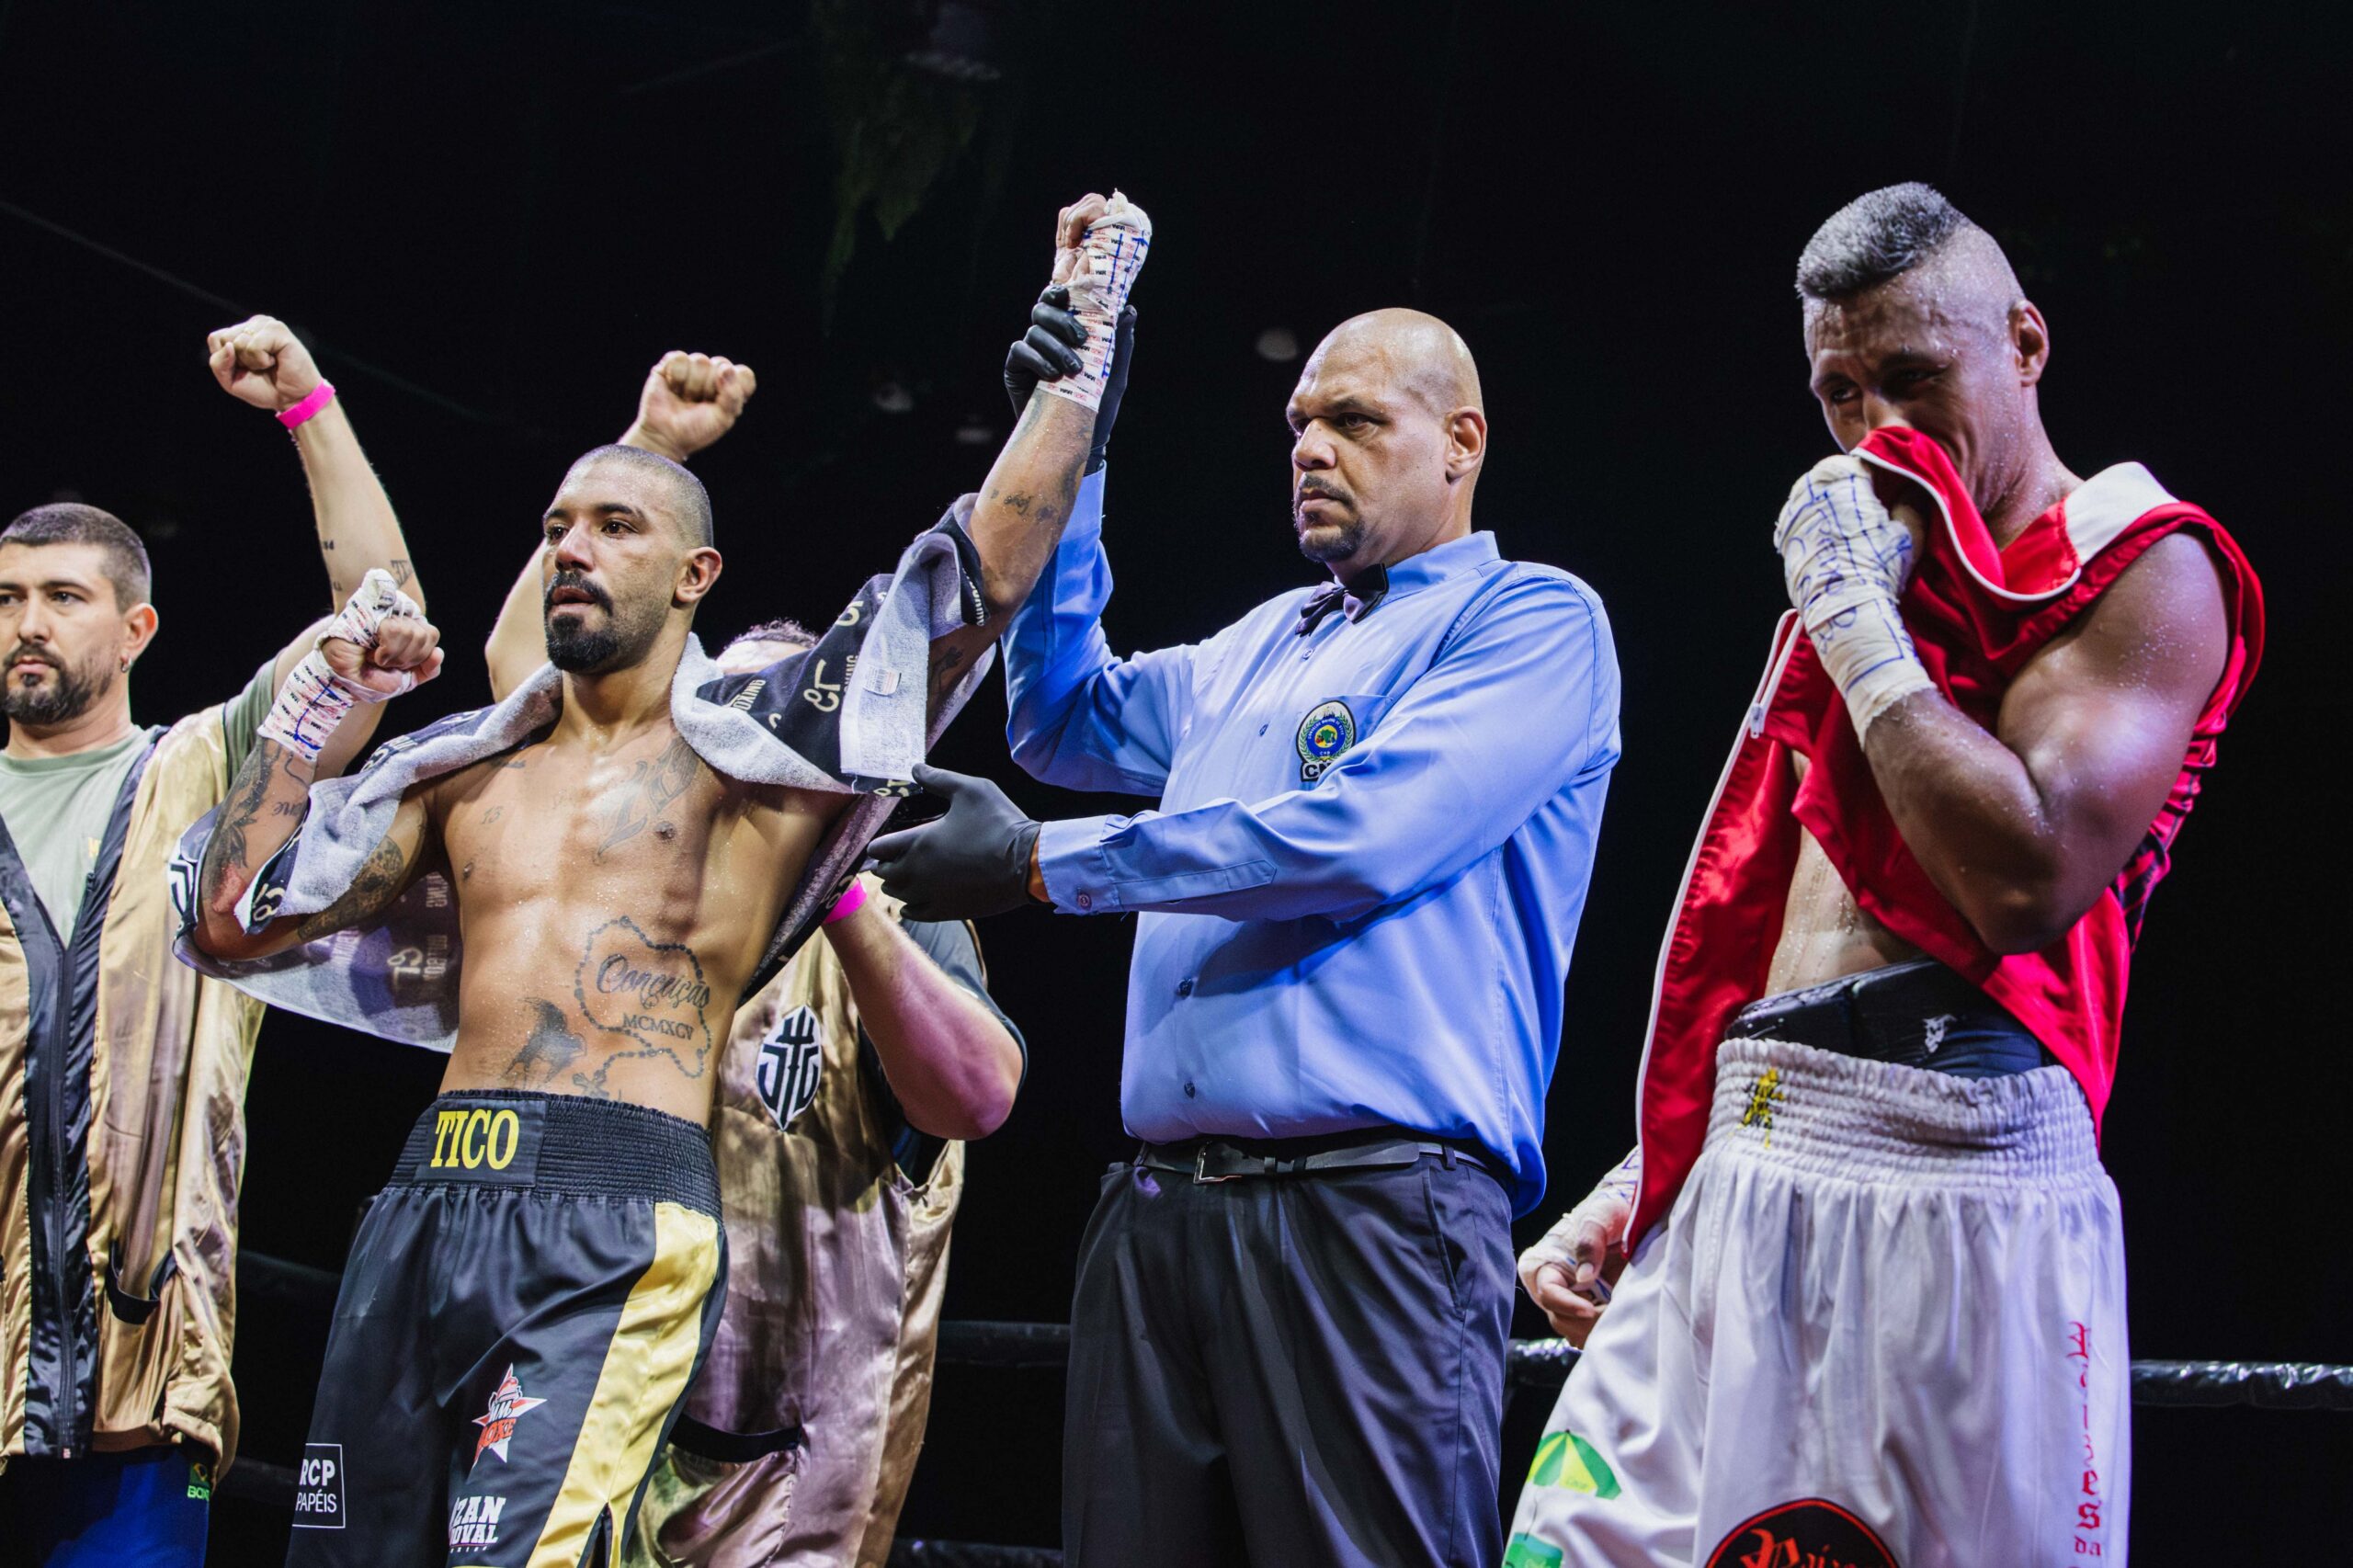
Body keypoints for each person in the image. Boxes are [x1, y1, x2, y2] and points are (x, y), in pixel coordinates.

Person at [176, 191, 1145, 1568]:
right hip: (423, 1203)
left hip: (616, 1210)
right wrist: (310, 710)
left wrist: (1081, 355)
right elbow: (229, 913)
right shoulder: (467, 770)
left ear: (695, 575)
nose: (572, 545)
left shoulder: (748, 774)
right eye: (558, 523)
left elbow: (973, 578)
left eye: (614, 526)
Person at [1506, 184, 2265, 1567]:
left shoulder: (2140, 567)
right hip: (1746, 1154)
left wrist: (1854, 622)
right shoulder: (1884, 580)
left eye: (1914, 380)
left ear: (2026, 344)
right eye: (1840, 392)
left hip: (1952, 1183)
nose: (1877, 436)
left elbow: (2023, 882)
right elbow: (1801, 939)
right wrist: (1654, 1170)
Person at [871, 306, 1621, 1568]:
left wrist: (1040, 862)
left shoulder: (1531, 622)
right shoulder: (1265, 641)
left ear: (1460, 441)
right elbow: (1059, 716)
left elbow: (1354, 838)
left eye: (1356, 420)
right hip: (1162, 1212)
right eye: (1299, 424)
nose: (1310, 448)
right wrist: (1075, 451)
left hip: (1374, 1208)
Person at [486, 354, 1029, 1568]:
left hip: (790, 1455)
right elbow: (531, 691)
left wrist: (839, 893)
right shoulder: (636, 879)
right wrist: (648, 451)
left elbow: (980, 1093)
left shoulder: (880, 897)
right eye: (729, 725)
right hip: (603, 1392)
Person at [0, 316, 425, 1567]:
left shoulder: (209, 772)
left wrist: (307, 405)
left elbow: (380, 614)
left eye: (63, 598)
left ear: (133, 630)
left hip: (136, 1373)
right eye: (8, 598)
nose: (28, 622)